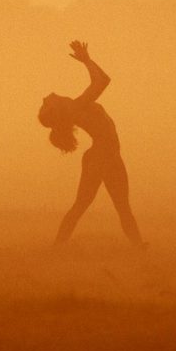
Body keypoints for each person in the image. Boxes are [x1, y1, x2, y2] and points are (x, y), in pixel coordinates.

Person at [39, 41, 145, 247]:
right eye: (46, 103)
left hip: (108, 156)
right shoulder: (77, 107)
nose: (47, 96)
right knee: (87, 205)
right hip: (102, 156)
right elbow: (103, 81)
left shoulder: (77, 106)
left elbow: (102, 80)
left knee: (116, 207)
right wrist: (87, 61)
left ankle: (139, 248)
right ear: (57, 111)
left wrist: (88, 60)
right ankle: (56, 248)